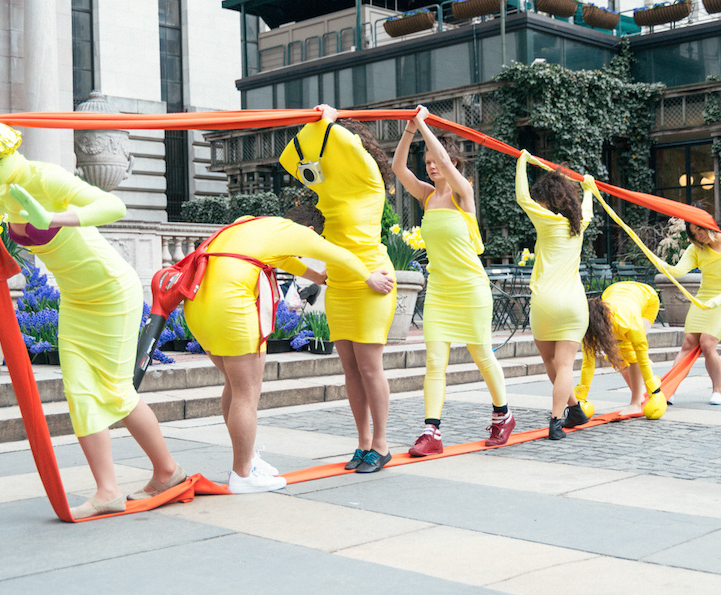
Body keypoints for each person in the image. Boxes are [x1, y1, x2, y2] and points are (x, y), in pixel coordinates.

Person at [0, 122, 185, 519]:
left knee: (116, 392)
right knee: (79, 392)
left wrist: (54, 216)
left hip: (113, 292)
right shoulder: (2, 193)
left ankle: (168, 470)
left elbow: (113, 207)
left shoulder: (45, 178)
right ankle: (107, 490)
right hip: (77, 300)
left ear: (2, 155)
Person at [181, 206, 394, 492]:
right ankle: (243, 475)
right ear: (309, 231)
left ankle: (246, 460)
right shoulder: (295, 233)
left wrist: (317, 278)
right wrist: (370, 277)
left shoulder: (251, 223)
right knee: (246, 393)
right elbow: (338, 254)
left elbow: (285, 260)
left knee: (234, 385)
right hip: (231, 301)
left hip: (197, 301)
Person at [279, 104, 397, 473]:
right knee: (349, 368)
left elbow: (345, 146)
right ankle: (362, 443)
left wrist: (327, 122)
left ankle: (381, 443)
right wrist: (317, 124)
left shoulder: (369, 181)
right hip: (342, 281)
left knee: (369, 367)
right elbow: (289, 157)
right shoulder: (326, 188)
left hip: (372, 280)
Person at [391, 105, 514, 454]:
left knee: (482, 356)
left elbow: (445, 162)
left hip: (471, 288)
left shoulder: (463, 193)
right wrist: (411, 130)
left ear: (454, 163)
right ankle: (432, 432)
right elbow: (398, 167)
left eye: (436, 159)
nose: (431, 165)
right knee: (434, 362)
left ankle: (503, 416)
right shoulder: (427, 196)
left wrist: (426, 124)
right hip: (440, 291)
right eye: (426, 161)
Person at [515, 150, 593, 440]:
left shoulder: (546, 221)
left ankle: (564, 415)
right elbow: (588, 208)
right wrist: (589, 189)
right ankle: (566, 414)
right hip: (573, 304)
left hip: (545, 302)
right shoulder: (579, 225)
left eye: (541, 201)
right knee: (564, 366)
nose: (537, 204)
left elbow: (522, 197)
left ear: (548, 200)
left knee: (552, 363)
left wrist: (522, 161)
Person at [657, 211, 721, 406]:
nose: (699, 236)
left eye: (700, 229)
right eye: (694, 233)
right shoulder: (696, 248)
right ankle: (669, 389)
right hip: (704, 297)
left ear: (709, 224)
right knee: (688, 343)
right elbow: (679, 271)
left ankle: (718, 390)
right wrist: (660, 263)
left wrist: (718, 300)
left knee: (708, 343)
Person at [574, 281, 668, 418]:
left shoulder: (628, 324)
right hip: (613, 291)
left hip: (648, 298)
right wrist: (580, 398)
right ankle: (639, 395)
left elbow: (642, 357)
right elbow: (588, 363)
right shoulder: (590, 326)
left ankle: (635, 403)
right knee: (615, 354)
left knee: (630, 352)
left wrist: (654, 391)